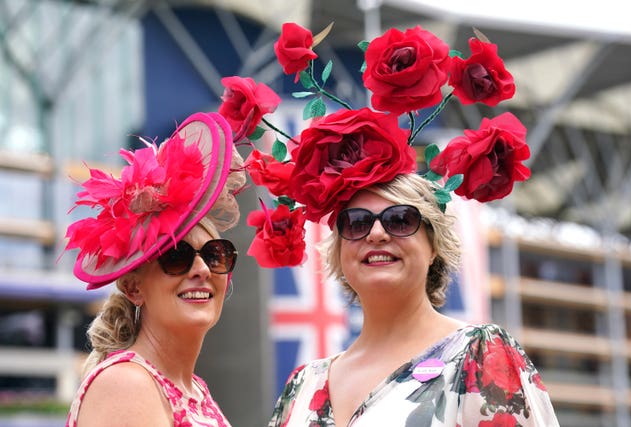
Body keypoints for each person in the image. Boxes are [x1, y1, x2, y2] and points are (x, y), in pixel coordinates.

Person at [267, 173, 560, 426]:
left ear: (433, 247)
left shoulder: (478, 354)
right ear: (339, 251)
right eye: (357, 223)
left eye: (399, 220)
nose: (377, 234)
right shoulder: (303, 384)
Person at [63, 111, 245, 427]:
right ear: (134, 288)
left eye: (215, 254)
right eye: (176, 256)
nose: (201, 268)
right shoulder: (126, 383)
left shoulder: (195, 391)